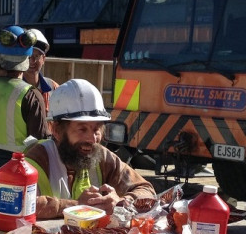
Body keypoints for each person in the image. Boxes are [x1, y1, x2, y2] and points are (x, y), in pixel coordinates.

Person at [23, 78, 156, 219]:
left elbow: (147, 190)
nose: (92, 139)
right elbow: (20, 204)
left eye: (96, 129)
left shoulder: (102, 157)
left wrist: (122, 202)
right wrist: (76, 206)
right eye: (82, 129)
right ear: (55, 129)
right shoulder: (35, 160)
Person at [0, 25, 48, 196]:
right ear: (27, 58)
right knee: (15, 220)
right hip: (18, 173)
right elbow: (40, 142)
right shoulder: (31, 95)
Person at [22, 28, 60, 114]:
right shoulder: (14, 88)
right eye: (28, 56)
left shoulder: (54, 88)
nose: (32, 61)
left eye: (36, 56)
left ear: (43, 59)